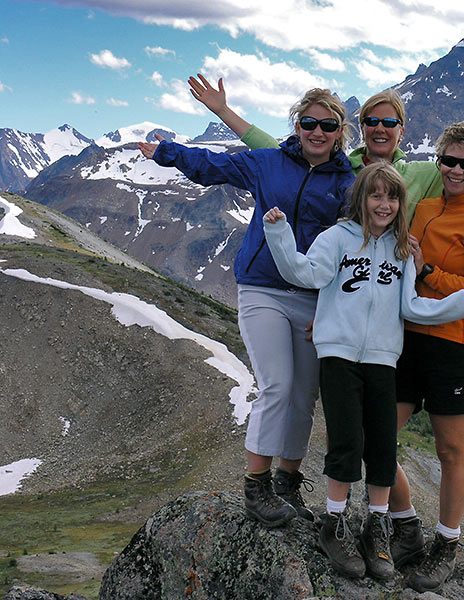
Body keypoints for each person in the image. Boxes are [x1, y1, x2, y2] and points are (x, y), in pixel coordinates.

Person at [138, 88, 355, 528]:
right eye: (309, 123)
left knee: (302, 397)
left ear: (339, 133)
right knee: (276, 385)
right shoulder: (267, 162)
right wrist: (166, 153)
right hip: (263, 291)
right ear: (297, 126)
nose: (317, 132)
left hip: (315, 299)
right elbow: (212, 166)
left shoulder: (348, 181)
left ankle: (288, 484)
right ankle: (256, 487)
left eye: (327, 125)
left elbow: (358, 237)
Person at [261, 162, 464, 580]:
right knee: (346, 439)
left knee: (382, 444)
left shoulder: (402, 251)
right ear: (361, 198)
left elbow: (411, 307)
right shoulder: (336, 238)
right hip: (339, 356)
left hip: (384, 358)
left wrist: (458, 304)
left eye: (392, 196)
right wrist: (279, 234)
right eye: (376, 195)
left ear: (401, 203)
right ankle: (334, 525)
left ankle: (377, 527)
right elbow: (304, 273)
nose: (384, 204)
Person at [188, 73, 464, 218]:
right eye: (371, 120)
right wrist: (225, 112)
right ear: (360, 126)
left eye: (389, 122)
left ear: (401, 131)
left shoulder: (420, 174)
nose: (379, 128)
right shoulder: (337, 165)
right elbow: (274, 149)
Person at [393, 120, 464, 593]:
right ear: (439, 161)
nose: (456, 170)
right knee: (373, 434)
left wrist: (431, 271)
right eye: (449, 160)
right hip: (405, 338)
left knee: (450, 450)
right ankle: (404, 522)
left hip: (455, 345)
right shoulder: (423, 207)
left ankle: (447, 543)